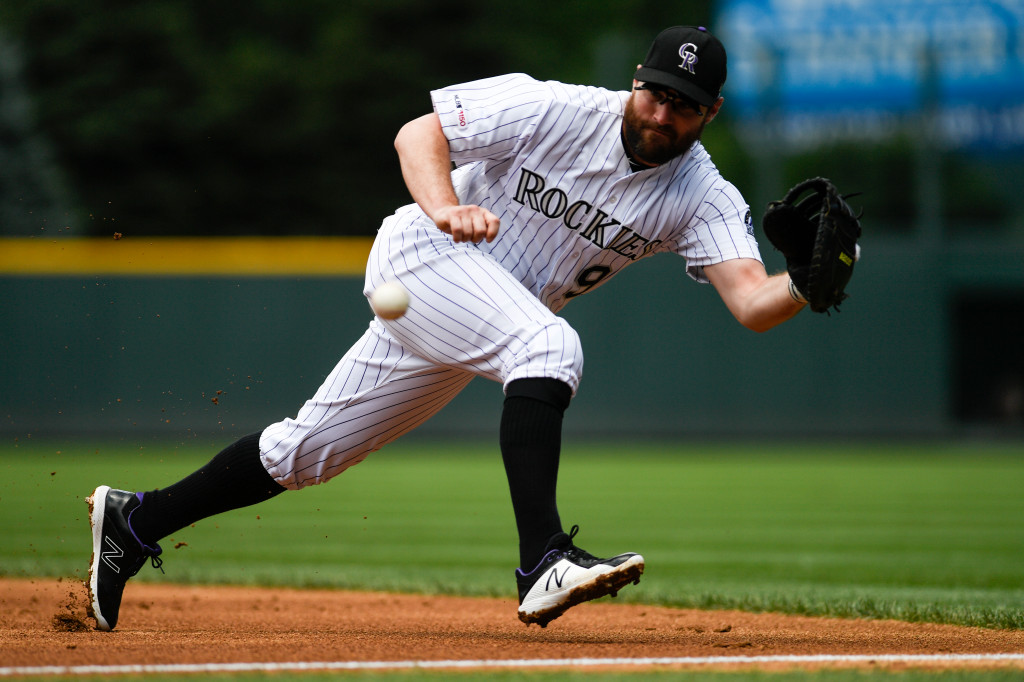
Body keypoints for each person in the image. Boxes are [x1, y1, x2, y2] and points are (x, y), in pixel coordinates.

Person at [86, 25, 808, 632]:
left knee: (305, 452)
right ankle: (543, 561)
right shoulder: (555, 108)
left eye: (683, 105)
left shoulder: (702, 195)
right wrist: (442, 208)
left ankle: (136, 521)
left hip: (479, 314)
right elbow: (418, 133)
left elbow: (751, 303)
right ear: (635, 81)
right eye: (656, 92)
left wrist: (808, 281)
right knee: (549, 346)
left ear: (710, 112)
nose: (661, 113)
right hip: (426, 257)